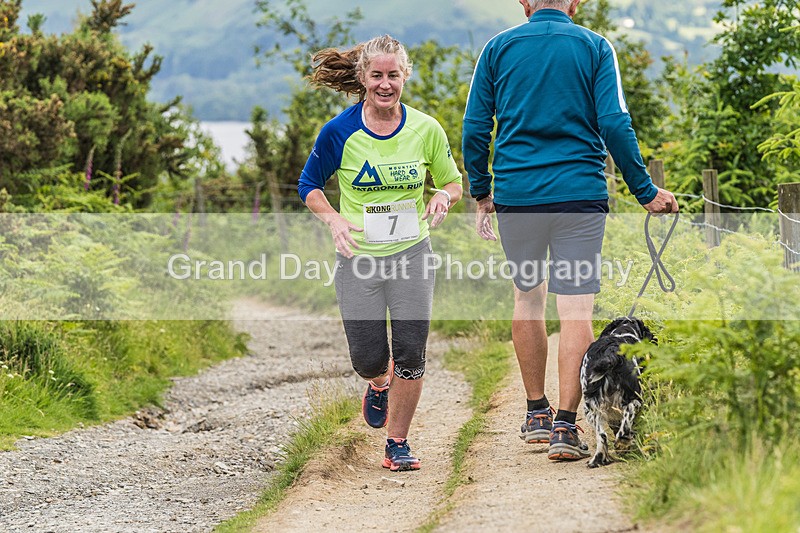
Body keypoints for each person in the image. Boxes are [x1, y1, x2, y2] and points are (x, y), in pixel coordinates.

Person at [462, 0, 678, 461]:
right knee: (576, 310)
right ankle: (566, 424)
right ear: (575, 2)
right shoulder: (595, 47)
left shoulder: (497, 48)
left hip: (518, 196)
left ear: (524, 2)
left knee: (527, 299)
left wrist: (482, 191)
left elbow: (476, 127)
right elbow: (615, 122)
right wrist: (644, 190)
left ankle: (535, 413)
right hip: (579, 195)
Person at [298, 35, 463, 471]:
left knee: (411, 353)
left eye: (393, 75)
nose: (385, 84)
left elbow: (453, 182)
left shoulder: (426, 129)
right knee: (368, 359)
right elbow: (308, 185)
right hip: (360, 258)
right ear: (363, 77)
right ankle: (378, 382)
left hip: (412, 254)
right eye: (377, 75)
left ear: (405, 76)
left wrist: (442, 196)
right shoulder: (339, 131)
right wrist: (334, 219)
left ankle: (397, 443)